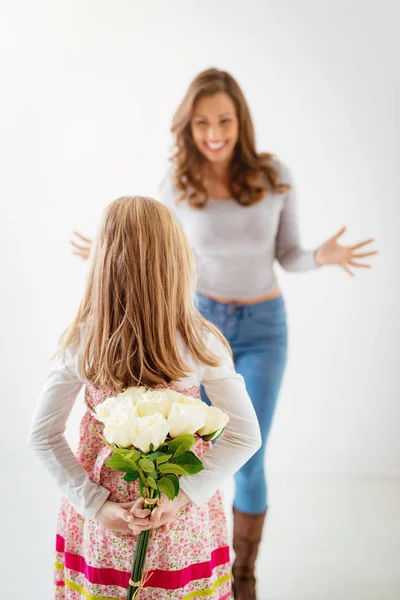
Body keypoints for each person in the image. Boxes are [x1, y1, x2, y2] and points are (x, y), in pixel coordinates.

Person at [70, 68, 377, 600]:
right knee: (182, 451)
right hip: (197, 325)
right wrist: (113, 254)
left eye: (225, 121)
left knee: (248, 451)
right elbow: (158, 250)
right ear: (188, 128)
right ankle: (176, 567)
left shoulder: (273, 176)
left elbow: (289, 254)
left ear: (241, 123)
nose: (214, 133)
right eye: (203, 122)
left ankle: (243, 578)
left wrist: (319, 258)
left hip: (261, 327)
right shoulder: (177, 184)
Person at [29, 195, 261, 600]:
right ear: (176, 260)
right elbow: (245, 436)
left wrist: (98, 506)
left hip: (103, 522)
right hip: (179, 523)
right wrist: (183, 498)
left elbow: (43, 436)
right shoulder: (201, 341)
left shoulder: (82, 341)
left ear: (102, 261)